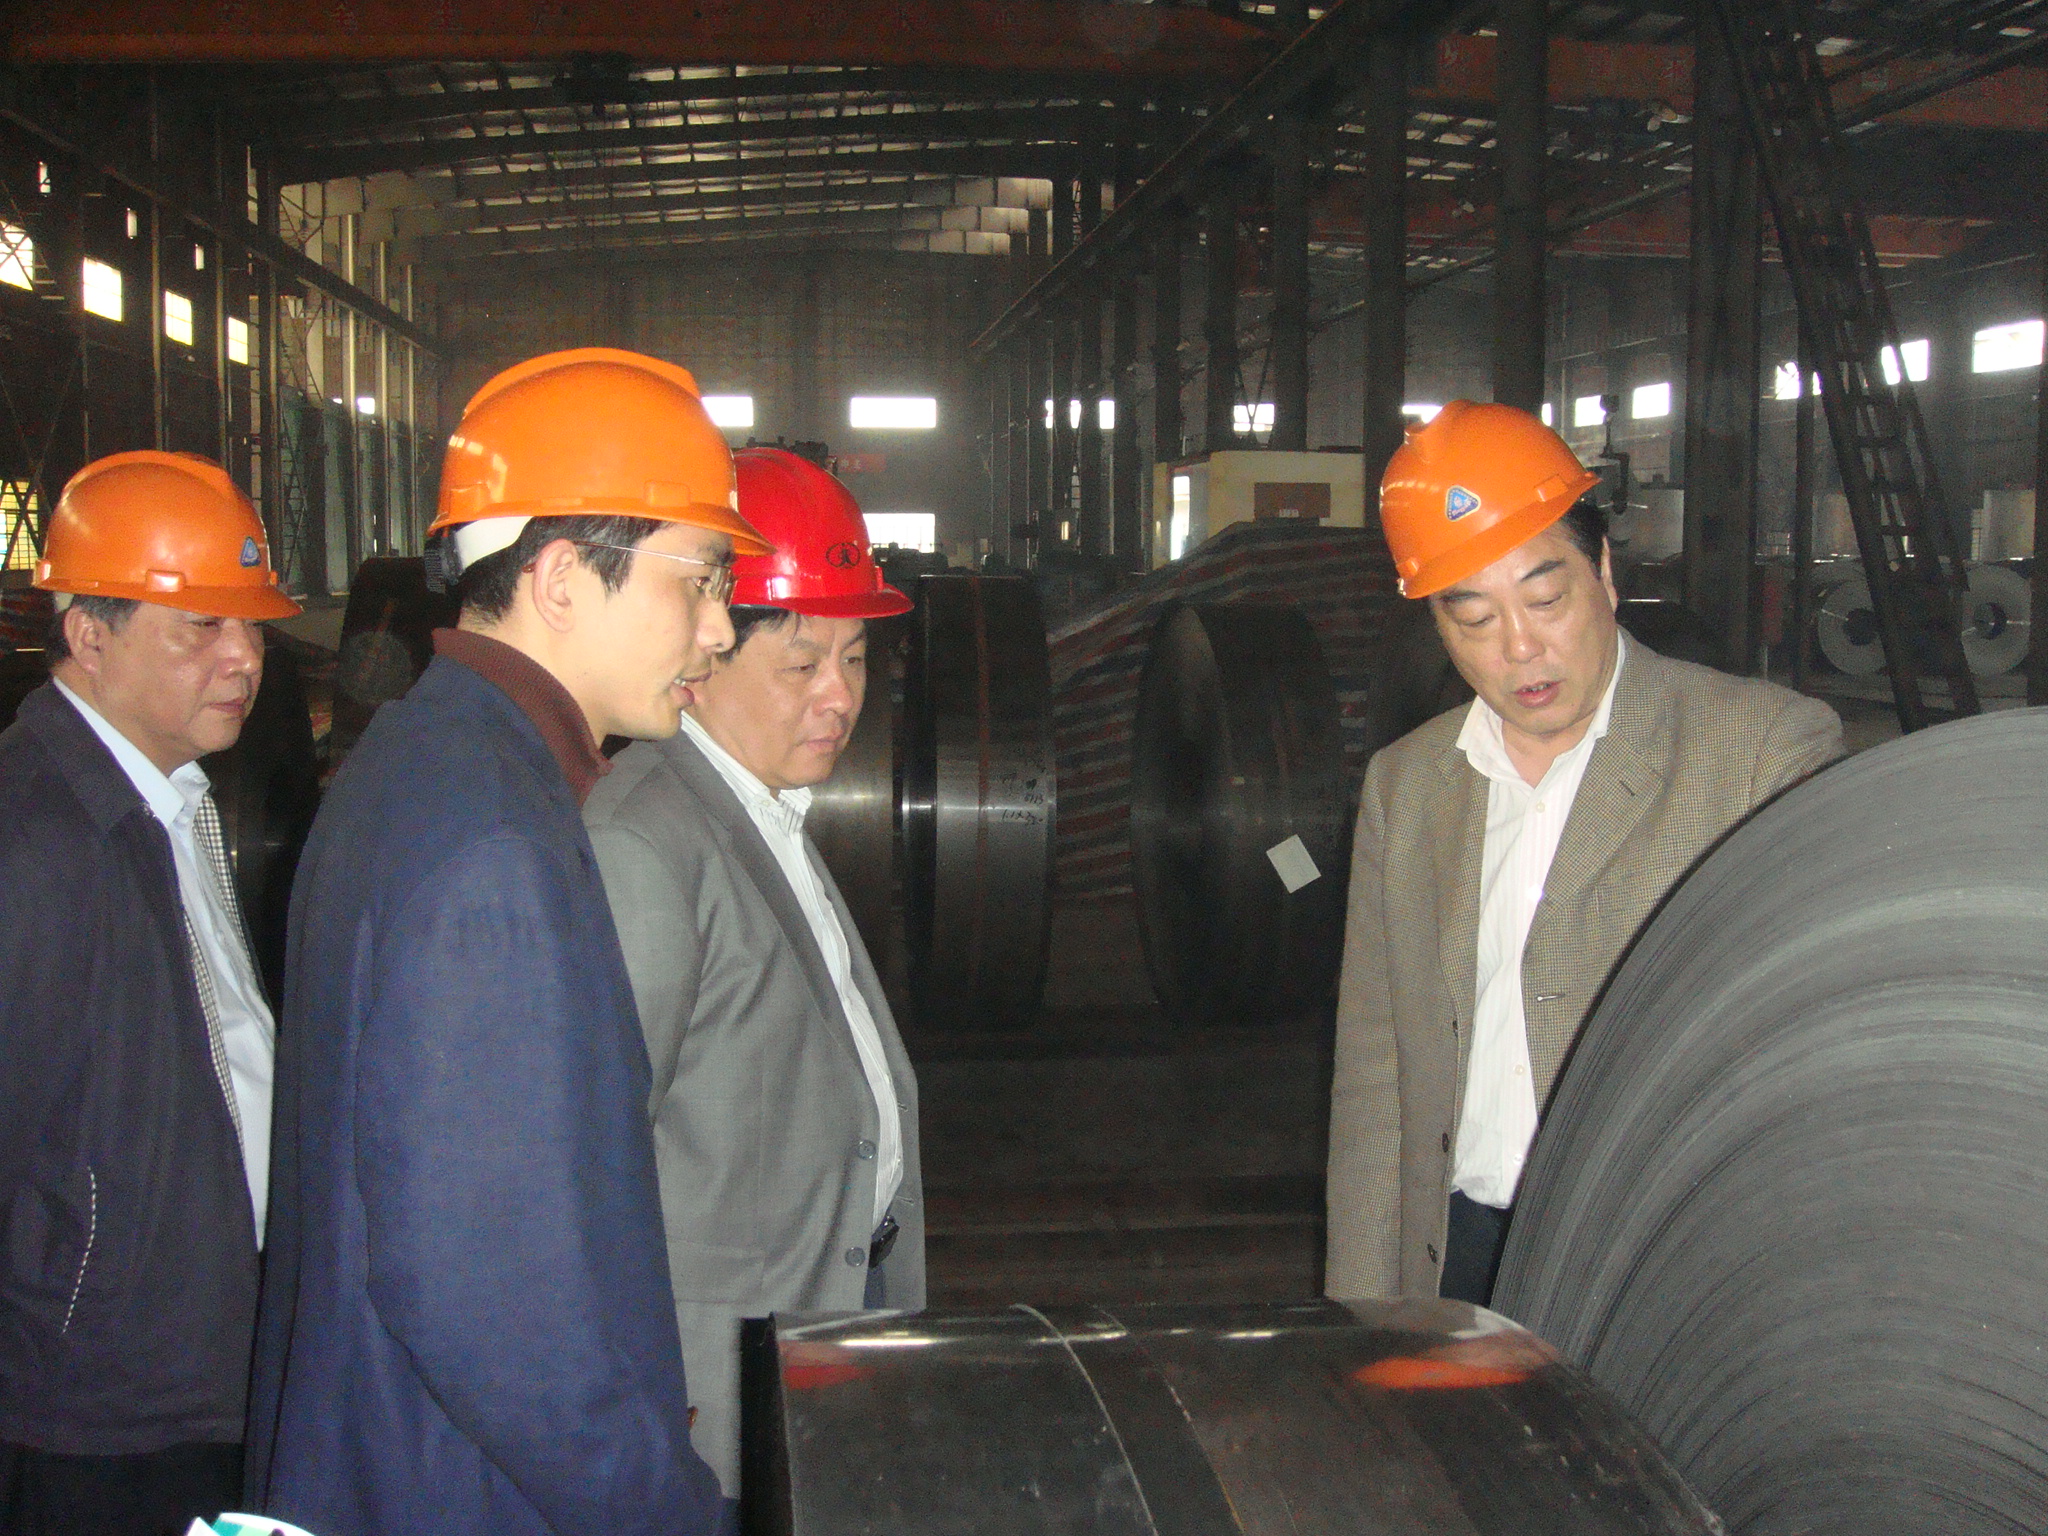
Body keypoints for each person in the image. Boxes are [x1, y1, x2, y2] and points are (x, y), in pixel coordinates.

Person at [245, 349, 770, 1536]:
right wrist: (661, 1512)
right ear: (562, 580)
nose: (719, 628)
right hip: (459, 1488)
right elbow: (487, 1297)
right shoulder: (489, 839)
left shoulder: (425, 762)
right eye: (699, 580)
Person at [1324, 401, 1843, 1308]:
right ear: (1436, 623)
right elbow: (1377, 1077)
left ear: (1603, 572)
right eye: (1473, 617)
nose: (1520, 647)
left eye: (1545, 598)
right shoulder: (1406, 788)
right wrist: (1363, 1316)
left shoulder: (1758, 753)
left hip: (1654, 1270)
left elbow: (1803, 1071)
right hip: (1453, 1254)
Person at [583, 447, 923, 1508]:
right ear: (706, 650)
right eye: (801, 663)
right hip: (715, 1388)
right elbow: (597, 1170)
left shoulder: (763, 813)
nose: (840, 696)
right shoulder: (646, 844)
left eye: (856, 658)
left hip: (825, 1321)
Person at [0, 452, 299, 1536]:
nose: (244, 657)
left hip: (195, 1364)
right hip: (94, 1409)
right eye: (201, 627)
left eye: (251, 626)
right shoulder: (37, 839)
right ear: (89, 634)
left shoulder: (169, 799)